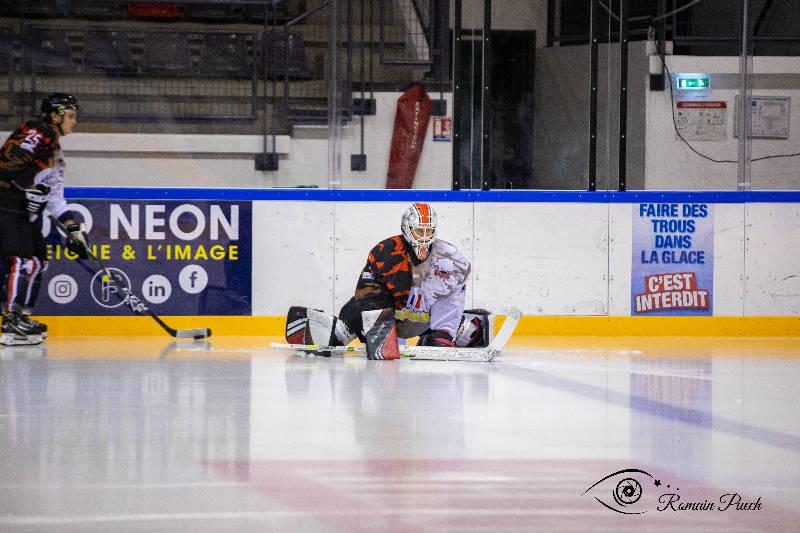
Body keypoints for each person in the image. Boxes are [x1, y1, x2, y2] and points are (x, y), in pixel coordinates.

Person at [286, 202, 493, 359]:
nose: (424, 236)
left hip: (425, 316)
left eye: (428, 231)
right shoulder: (385, 253)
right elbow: (366, 295)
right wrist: (378, 334)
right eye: (419, 230)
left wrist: (445, 331)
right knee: (341, 331)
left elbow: (451, 298)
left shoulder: (451, 260)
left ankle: (472, 326)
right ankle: (331, 330)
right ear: (407, 229)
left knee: (447, 340)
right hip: (391, 314)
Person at [0, 93, 89, 346]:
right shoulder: (37, 131)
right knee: (22, 260)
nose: (75, 122)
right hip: (6, 203)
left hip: (23, 211)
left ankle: (23, 316)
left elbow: (55, 199)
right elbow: (7, 164)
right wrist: (28, 187)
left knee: (39, 261)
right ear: (54, 116)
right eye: (70, 116)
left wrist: (73, 229)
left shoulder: (56, 154)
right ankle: (10, 321)